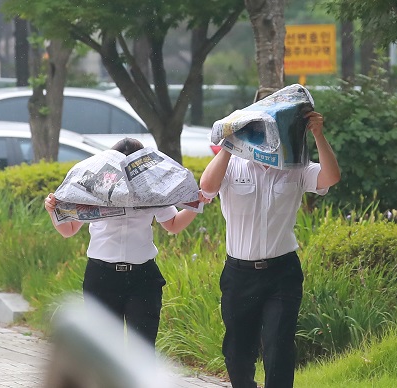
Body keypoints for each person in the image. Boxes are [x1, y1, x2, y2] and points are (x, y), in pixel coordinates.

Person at [199, 111, 340, 388]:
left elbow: (330, 177)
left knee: (278, 345)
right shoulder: (233, 165)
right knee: (238, 352)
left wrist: (318, 135)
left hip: (281, 272)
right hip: (239, 274)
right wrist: (231, 143)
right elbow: (206, 186)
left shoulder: (296, 167)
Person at [44, 137, 208, 350]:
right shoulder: (95, 186)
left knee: (142, 348)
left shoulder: (152, 189)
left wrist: (196, 205)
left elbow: (173, 225)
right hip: (102, 276)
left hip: (143, 278)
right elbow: (69, 230)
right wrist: (52, 211)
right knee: (103, 351)